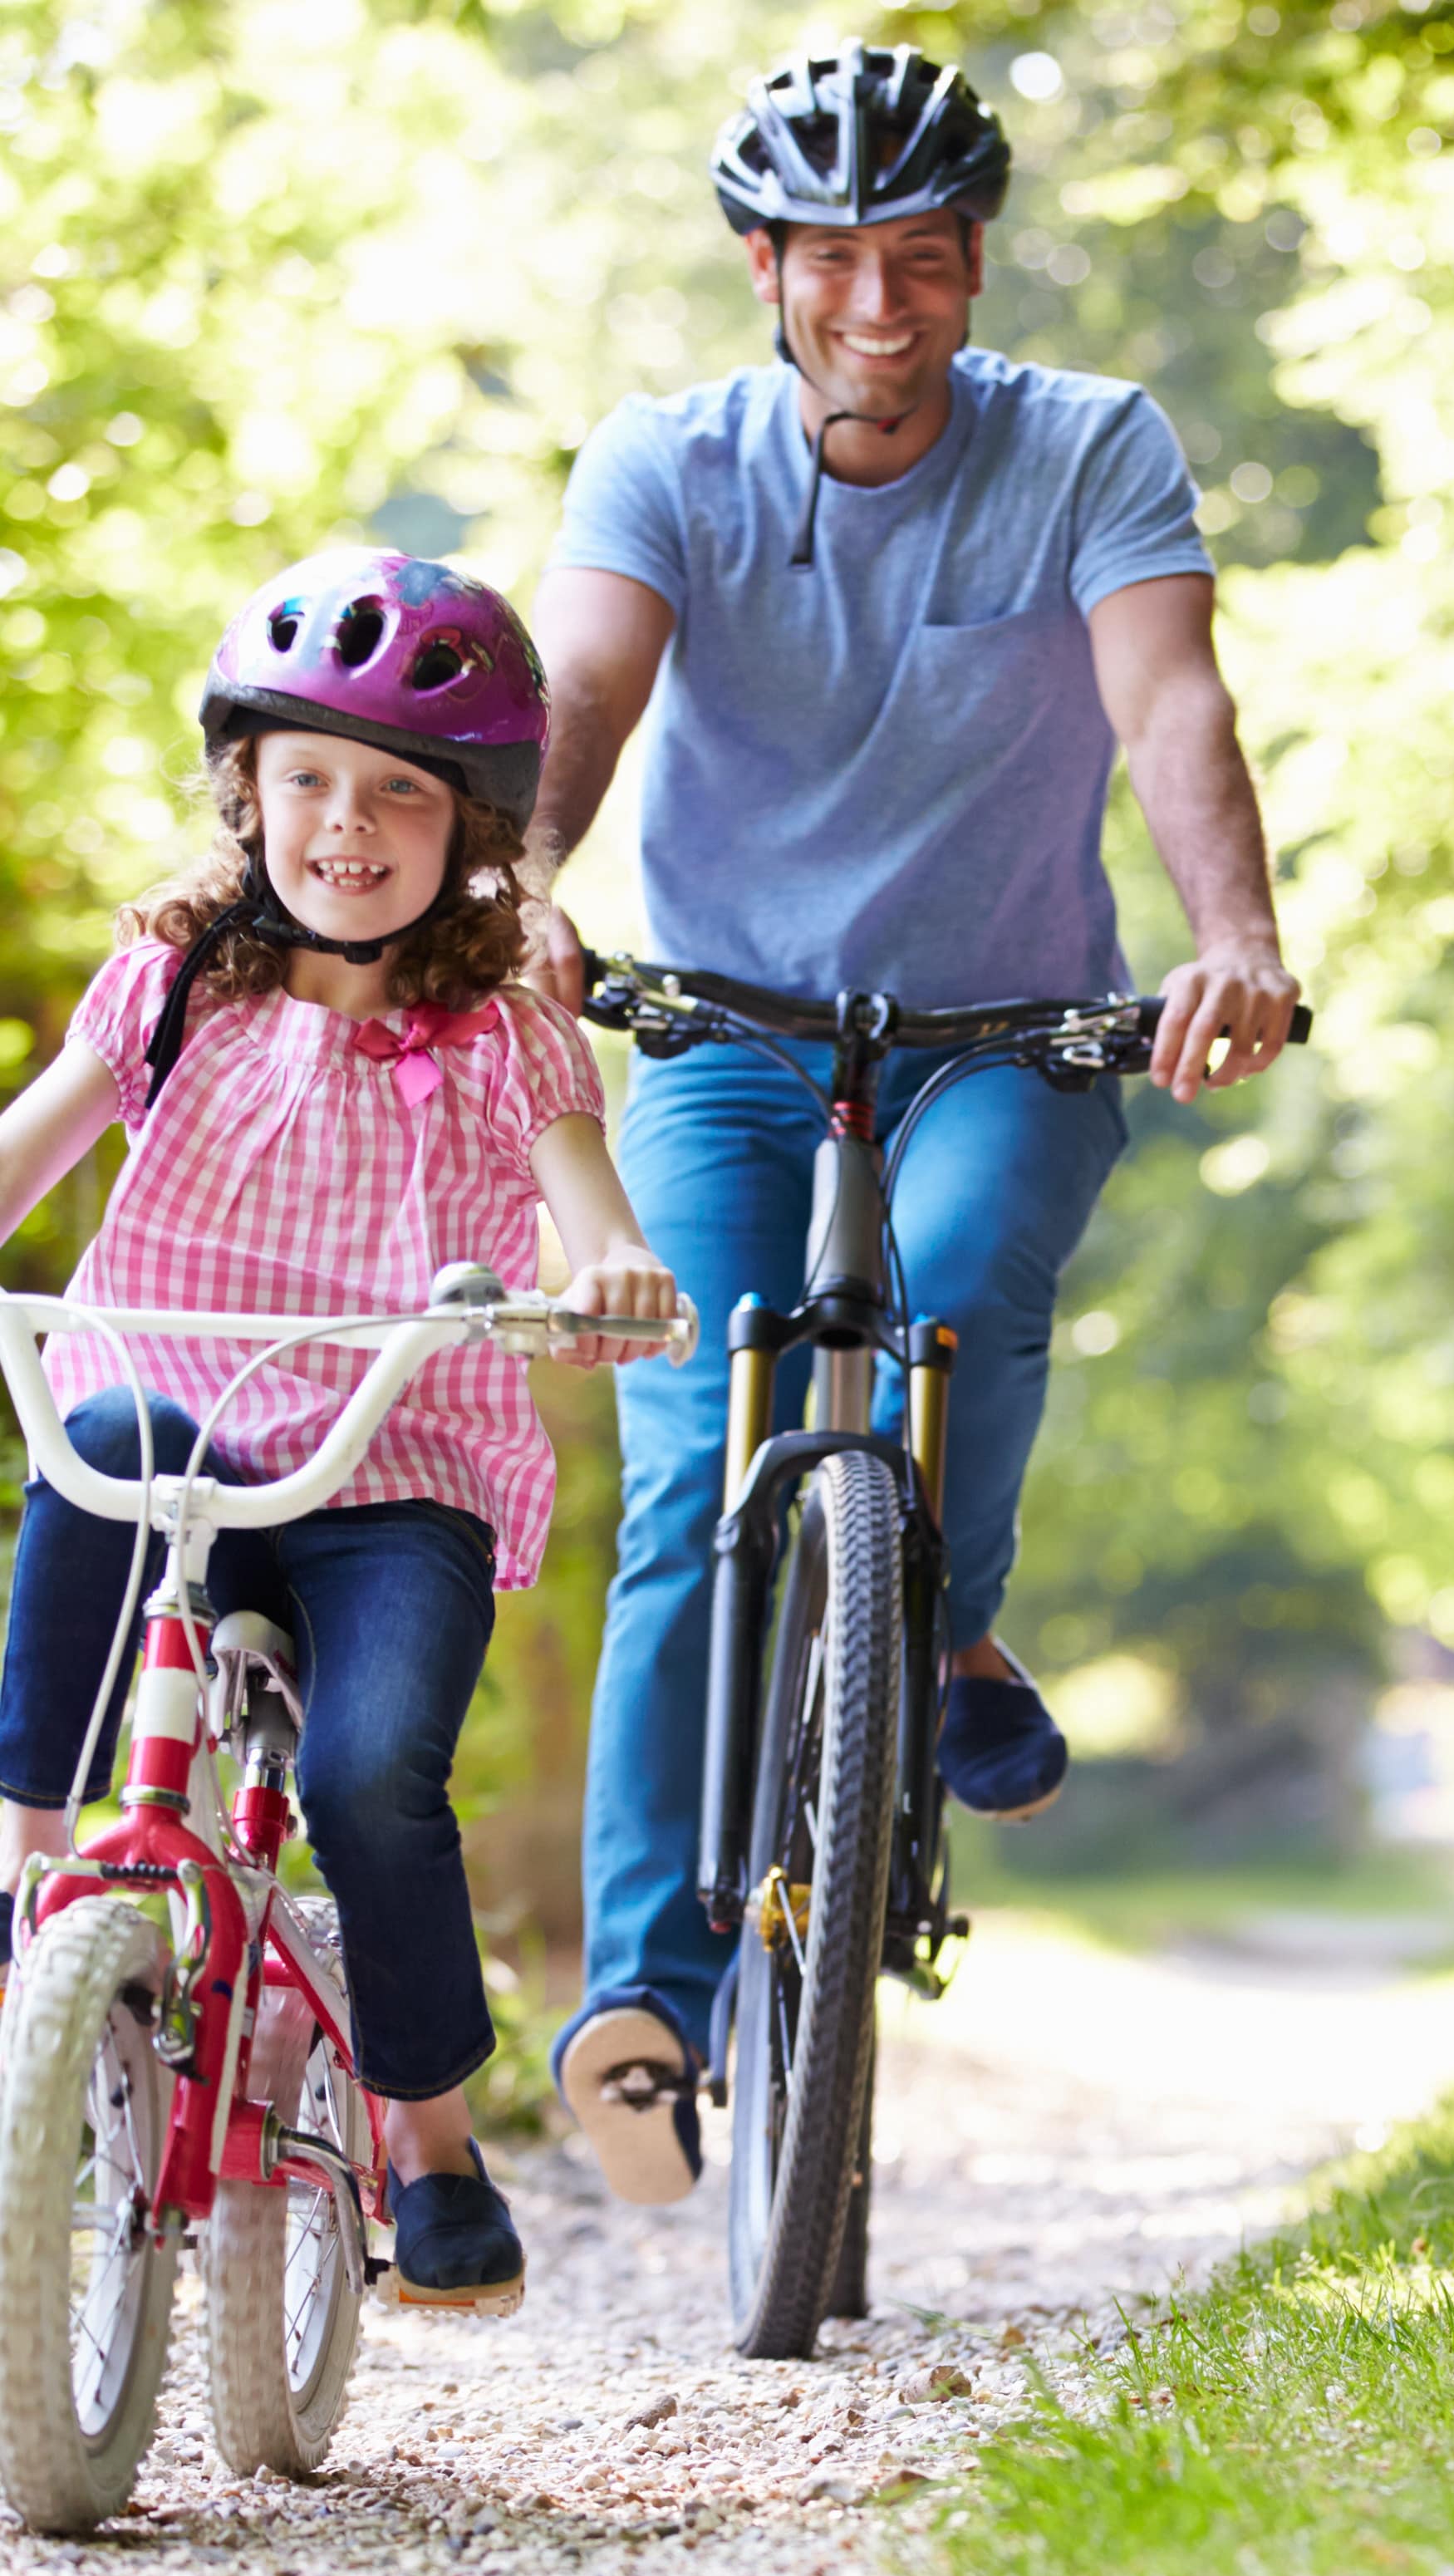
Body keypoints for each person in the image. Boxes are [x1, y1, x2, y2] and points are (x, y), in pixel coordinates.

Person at [531, 38, 1300, 2205]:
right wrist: (523, 886)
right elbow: (585, 688)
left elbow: (1171, 699)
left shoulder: (1088, 448)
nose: (883, 307)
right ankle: (645, 2011)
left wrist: (1229, 935)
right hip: (727, 1034)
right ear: (766, 268)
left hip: (1011, 1029)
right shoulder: (666, 463)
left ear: (975, 273)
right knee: (696, 1457)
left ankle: (932, 1607)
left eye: (928, 263)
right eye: (839, 263)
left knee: (955, 1297)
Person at [0, 549, 677, 2313]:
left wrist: (615, 1275)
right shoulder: (169, 988)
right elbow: (23, 1158)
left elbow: (586, 1207)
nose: (346, 823)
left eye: (398, 793)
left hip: (401, 1472)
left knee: (376, 1772)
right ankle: (34, 1883)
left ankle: (430, 2140)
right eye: (307, 777)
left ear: (471, 832)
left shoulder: (503, 1033)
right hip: (187, 1424)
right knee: (110, 1431)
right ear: (248, 791)